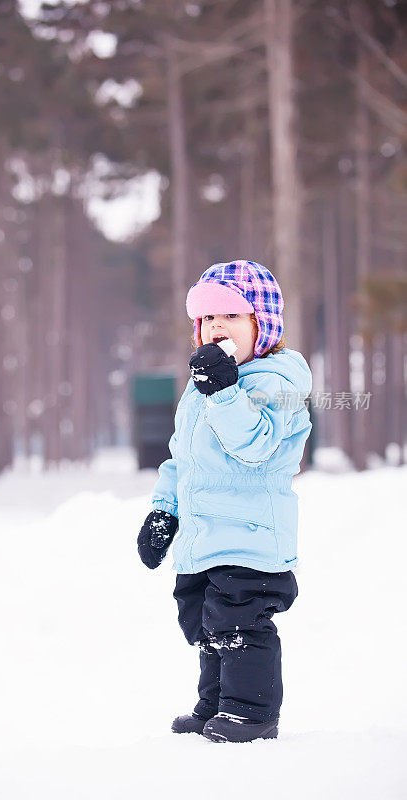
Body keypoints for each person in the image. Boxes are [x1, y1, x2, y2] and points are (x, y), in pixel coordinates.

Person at [137, 261, 312, 743]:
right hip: (205, 535)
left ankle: (249, 713)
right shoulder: (203, 388)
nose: (217, 327)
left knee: (241, 622)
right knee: (208, 623)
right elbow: (182, 459)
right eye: (207, 319)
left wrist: (225, 390)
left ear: (264, 326)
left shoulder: (277, 381)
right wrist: (163, 511)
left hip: (251, 533)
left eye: (232, 317)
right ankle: (215, 704)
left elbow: (254, 445)